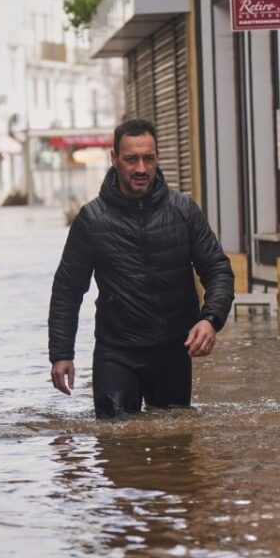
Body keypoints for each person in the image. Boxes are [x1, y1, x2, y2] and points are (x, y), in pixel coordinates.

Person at [47, 119, 234, 418]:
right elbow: (67, 291)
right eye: (131, 159)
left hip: (174, 352)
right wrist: (61, 354)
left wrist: (211, 319)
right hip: (117, 353)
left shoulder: (183, 211)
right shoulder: (92, 220)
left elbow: (218, 270)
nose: (141, 169)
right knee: (116, 445)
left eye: (149, 158)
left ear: (157, 158)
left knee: (174, 448)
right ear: (114, 159)